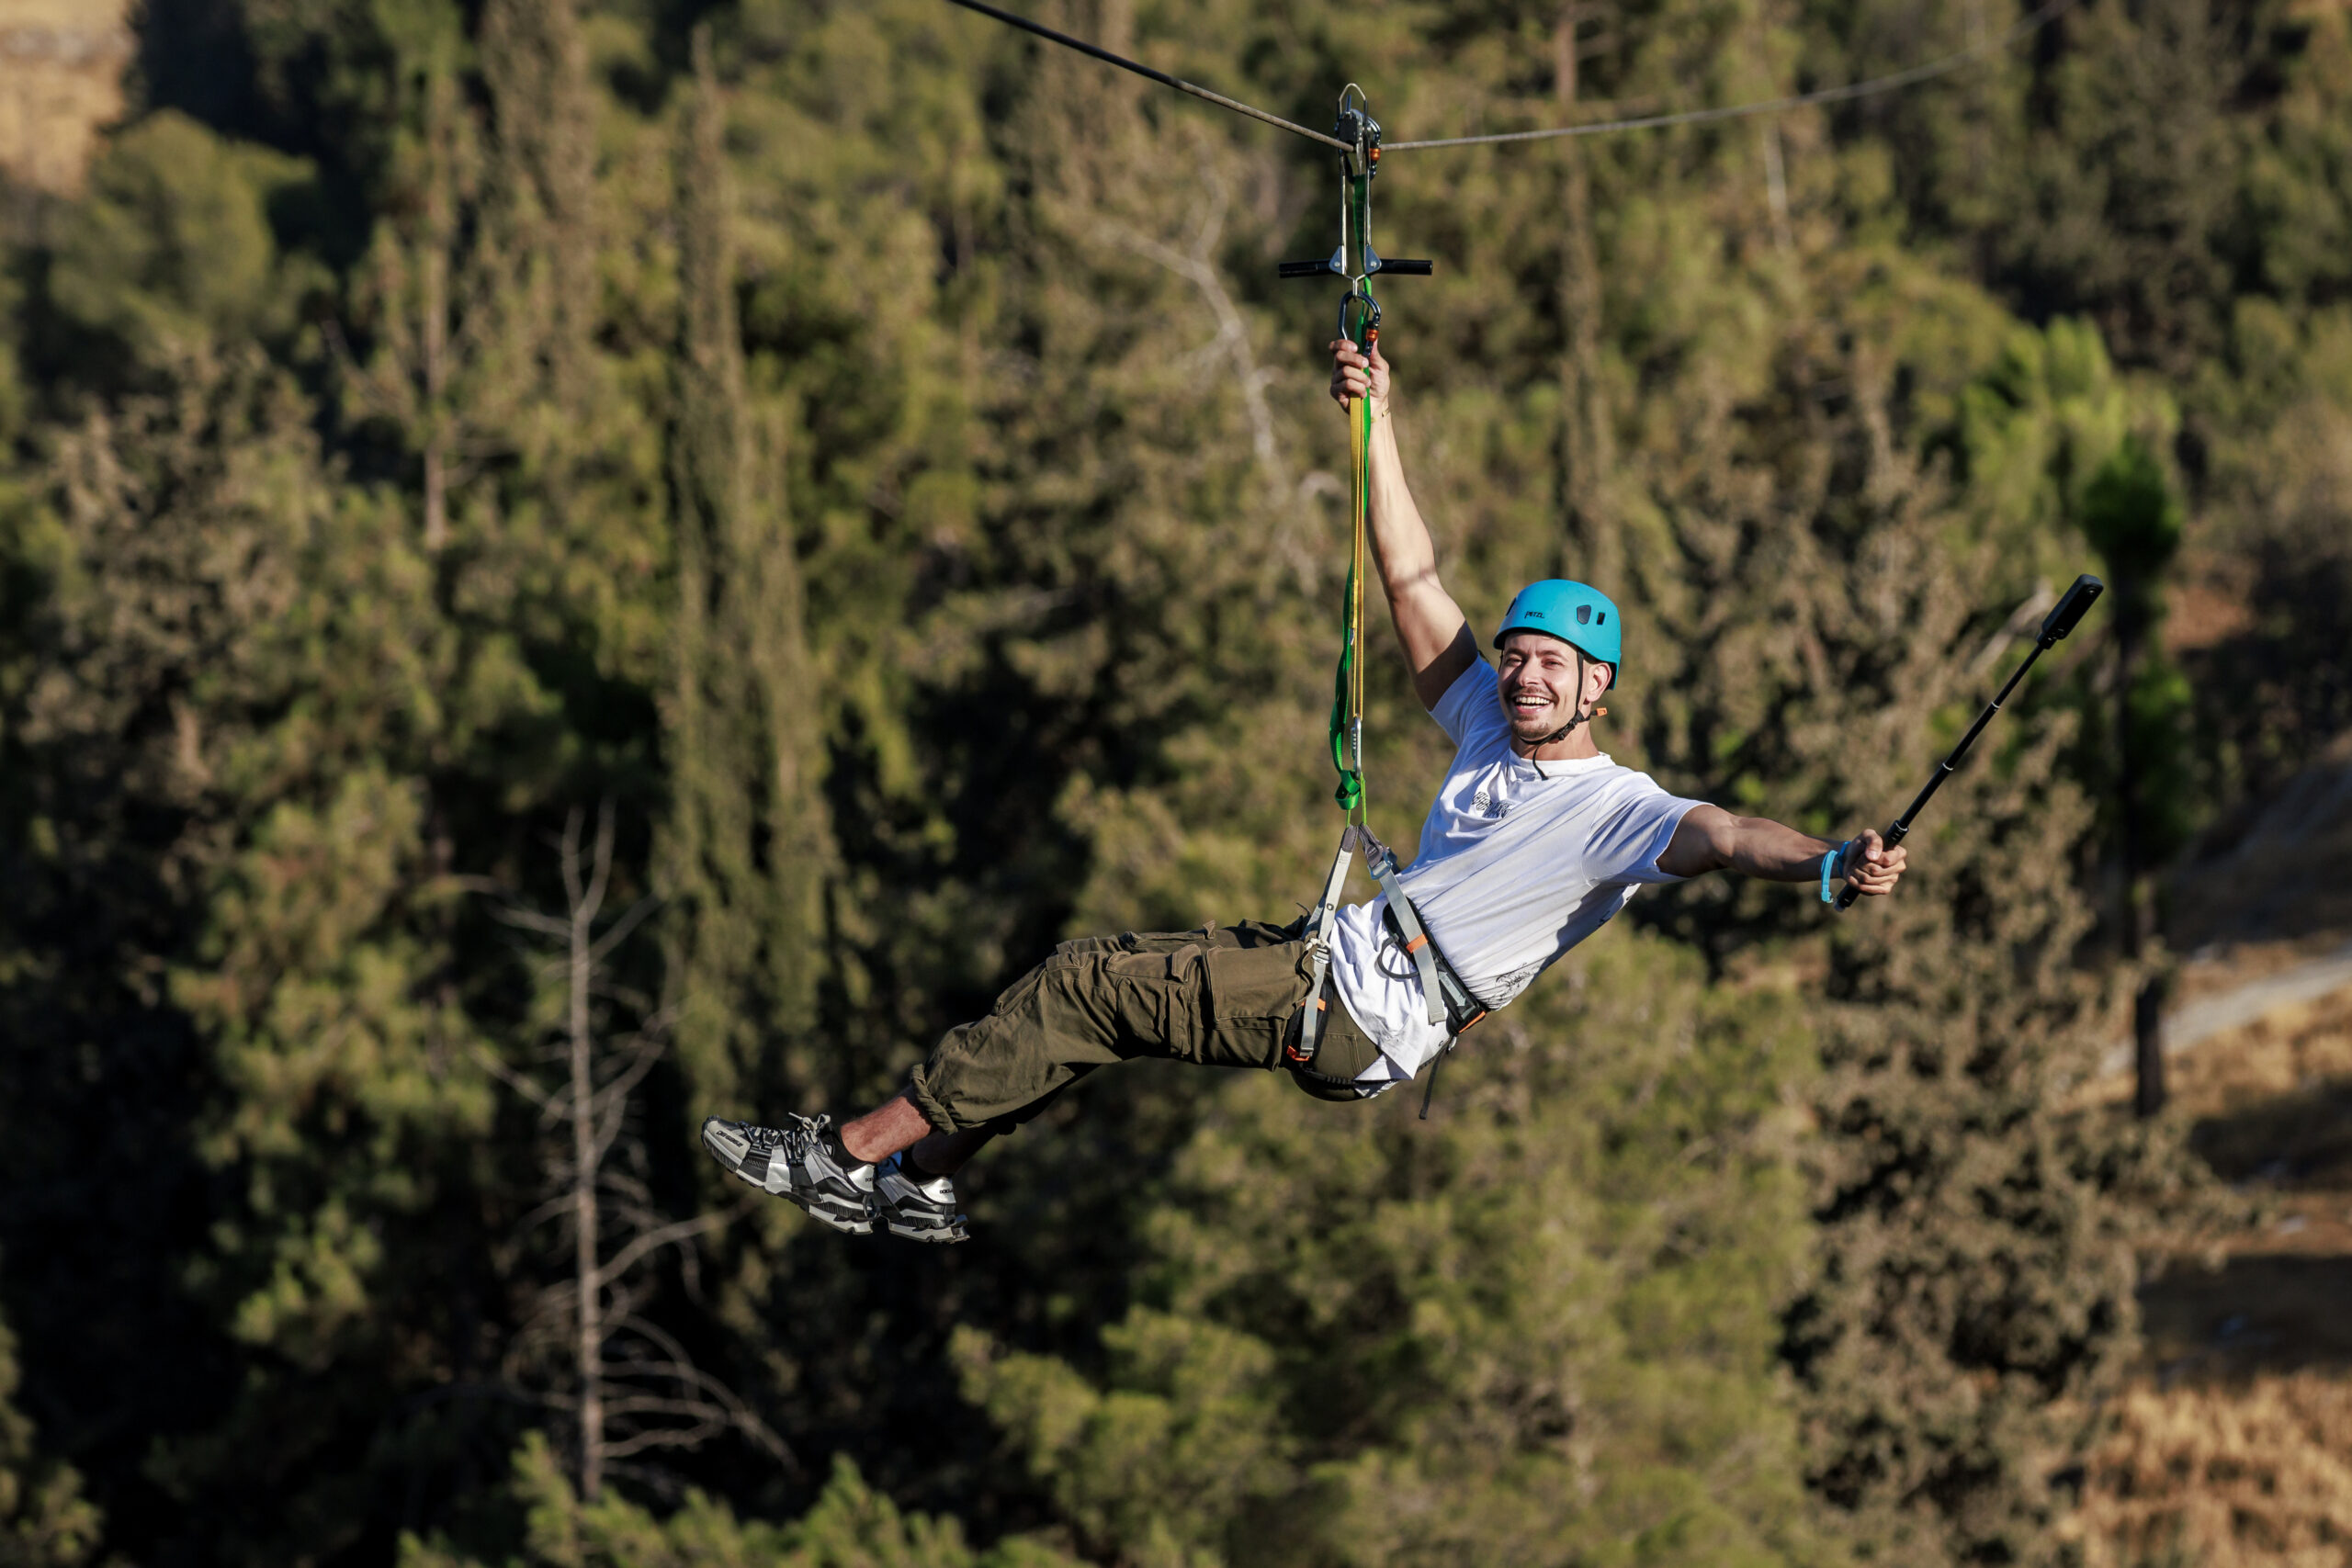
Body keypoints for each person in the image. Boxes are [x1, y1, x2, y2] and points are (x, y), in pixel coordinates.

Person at [699, 335, 1908, 1244]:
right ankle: (921, 1176)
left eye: (1554, 666)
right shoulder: (1486, 727)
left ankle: (846, 1156)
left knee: (1082, 989)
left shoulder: (1618, 812)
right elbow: (1411, 575)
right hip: (1329, 968)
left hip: (1351, 1005)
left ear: (1600, 688)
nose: (1526, 676)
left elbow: (1726, 835)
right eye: (1517, 657)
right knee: (1088, 987)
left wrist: (1823, 864)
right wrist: (1375, 417)